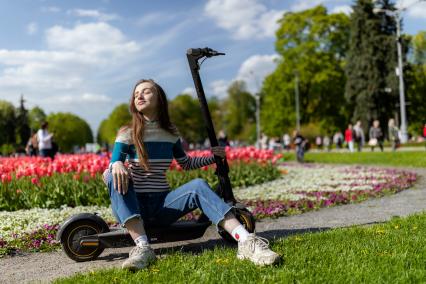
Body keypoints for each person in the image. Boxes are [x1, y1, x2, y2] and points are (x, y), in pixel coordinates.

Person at [103, 79, 280, 270]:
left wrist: (212, 158)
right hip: (135, 206)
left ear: (159, 99)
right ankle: (143, 249)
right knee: (112, 174)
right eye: (136, 93)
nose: (139, 95)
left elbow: (186, 163)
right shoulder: (127, 133)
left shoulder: (170, 134)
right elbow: (111, 167)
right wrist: (117, 163)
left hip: (162, 207)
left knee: (197, 186)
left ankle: (247, 242)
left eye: (146, 91)